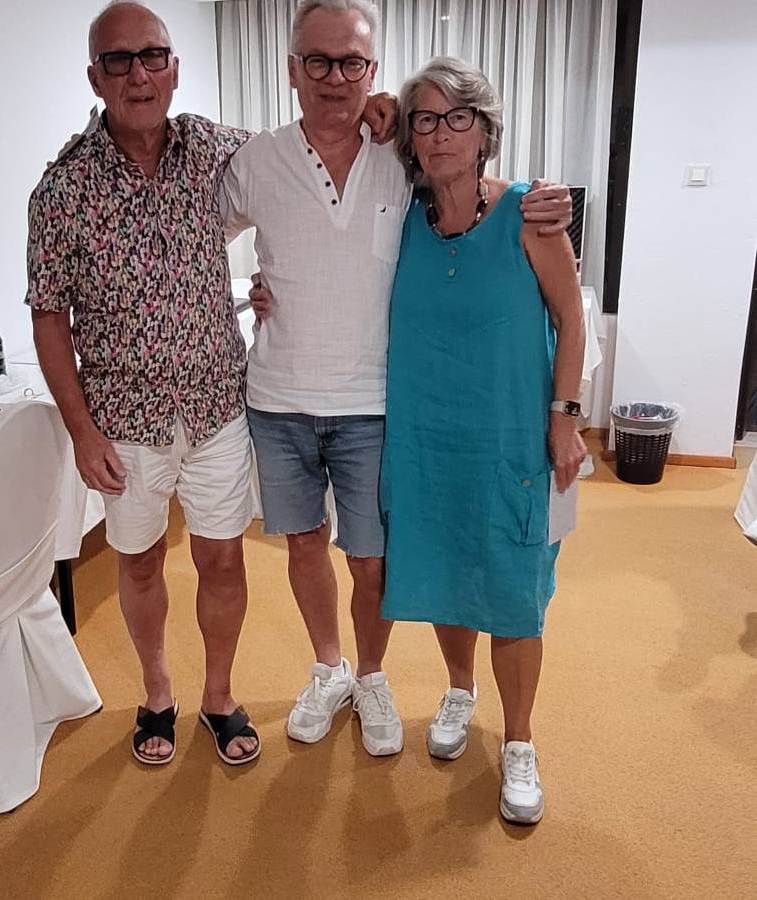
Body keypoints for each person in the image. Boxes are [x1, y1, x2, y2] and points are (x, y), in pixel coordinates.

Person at [223, 0, 572, 758]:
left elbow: (478, 193)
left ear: (372, 71)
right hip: (291, 399)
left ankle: (379, 678)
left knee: (378, 559)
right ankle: (335, 669)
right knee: (316, 547)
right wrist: (244, 298)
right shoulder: (265, 162)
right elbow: (194, 245)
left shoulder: (410, 165)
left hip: (381, 406)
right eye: (318, 61)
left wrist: (565, 414)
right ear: (292, 69)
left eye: (351, 62)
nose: (335, 76)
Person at [26, 1, 261, 767]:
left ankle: (219, 697)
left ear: (174, 69)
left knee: (222, 559)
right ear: (95, 77)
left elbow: (301, 167)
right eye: (119, 60)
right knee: (139, 560)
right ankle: (158, 694)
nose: (138, 74)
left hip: (216, 405)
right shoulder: (62, 190)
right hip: (124, 420)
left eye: (152, 55)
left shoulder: (217, 150)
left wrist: (377, 114)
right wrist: (80, 431)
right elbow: (49, 318)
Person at [381, 56, 588, 823]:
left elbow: (572, 319)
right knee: (447, 569)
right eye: (425, 120)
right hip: (428, 438)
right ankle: (459, 690)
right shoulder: (401, 220)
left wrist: (564, 418)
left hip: (511, 438)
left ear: (484, 130)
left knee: (513, 591)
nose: (441, 133)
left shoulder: (529, 214)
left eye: (457, 117)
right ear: (410, 137)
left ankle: (520, 739)